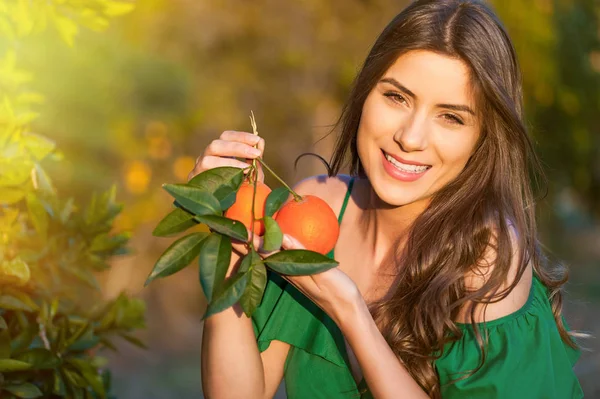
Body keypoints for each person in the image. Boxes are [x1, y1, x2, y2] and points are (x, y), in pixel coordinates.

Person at [195, 0, 584, 397]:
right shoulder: (314, 210)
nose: (410, 138)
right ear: (366, 92)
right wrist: (231, 242)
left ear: (483, 137)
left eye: (451, 117)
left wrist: (350, 313)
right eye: (397, 97)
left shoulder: (487, 258)